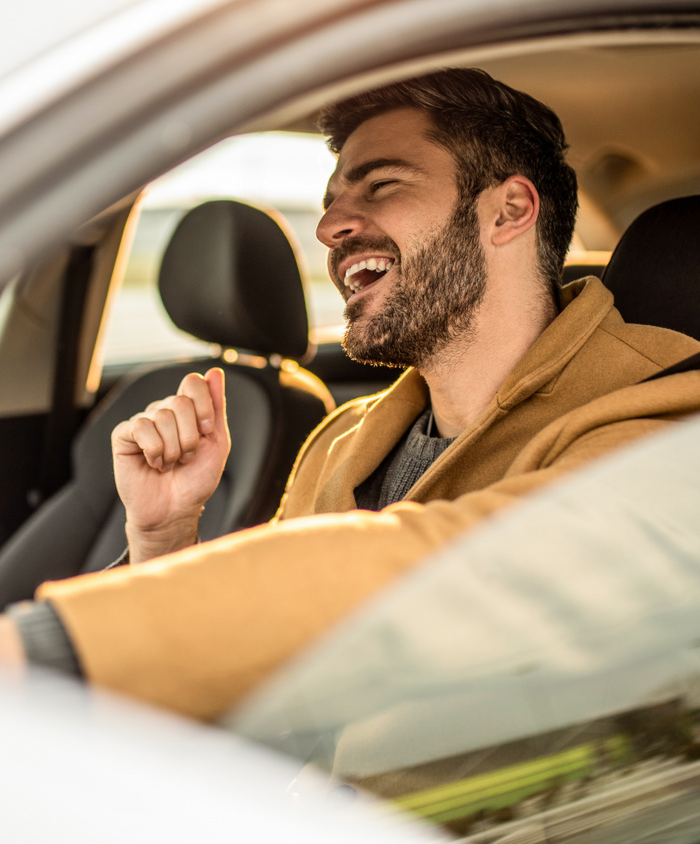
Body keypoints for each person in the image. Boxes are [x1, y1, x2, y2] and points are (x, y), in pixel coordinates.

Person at [1, 69, 699, 720]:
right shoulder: (344, 438)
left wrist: (59, 649)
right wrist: (164, 534)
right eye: (334, 199)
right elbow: (272, 670)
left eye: (381, 185)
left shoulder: (657, 424)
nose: (330, 227)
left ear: (508, 209)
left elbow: (455, 580)